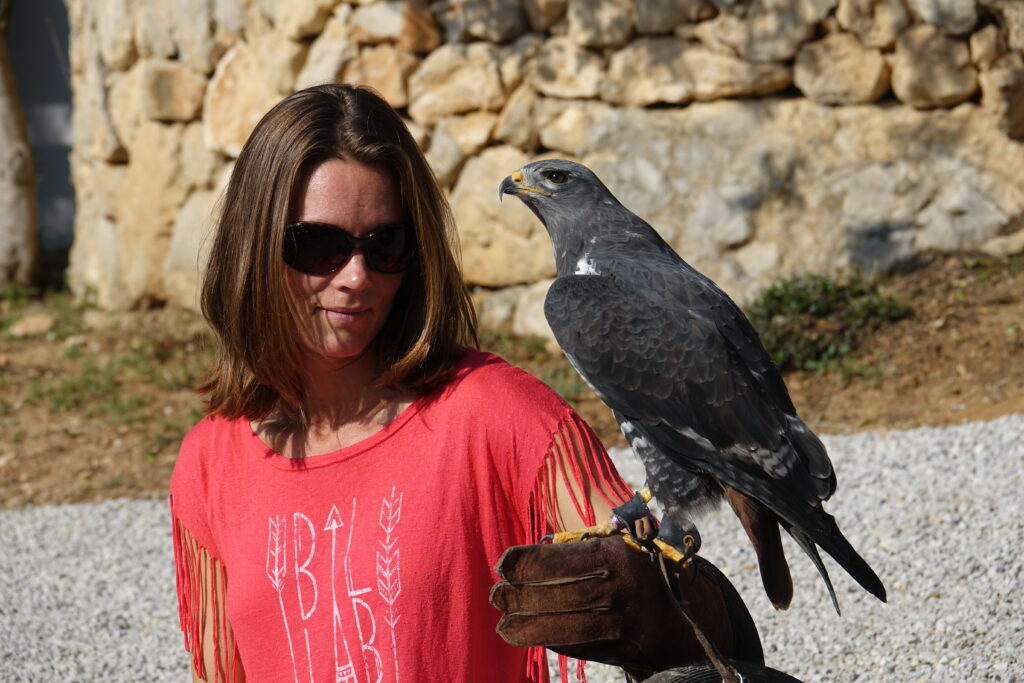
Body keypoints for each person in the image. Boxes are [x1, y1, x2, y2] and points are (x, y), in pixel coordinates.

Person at [169, 84, 758, 683]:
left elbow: (650, 580)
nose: (356, 276)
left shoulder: (497, 414)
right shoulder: (210, 462)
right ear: (254, 243)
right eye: (318, 245)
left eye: (385, 245)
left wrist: (676, 605)